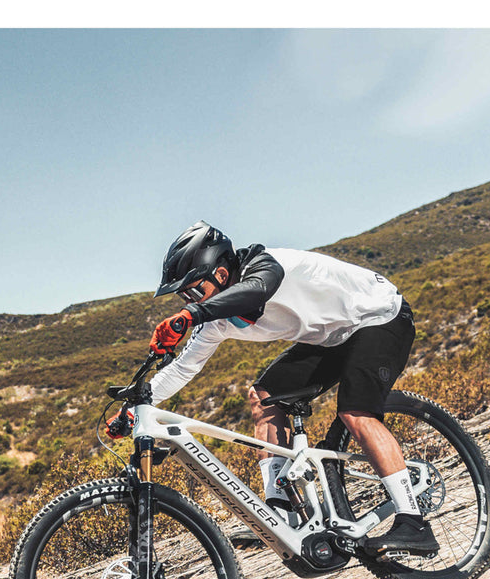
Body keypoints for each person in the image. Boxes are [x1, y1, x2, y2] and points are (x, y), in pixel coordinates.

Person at [131, 220, 438, 556]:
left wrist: (191, 314)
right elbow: (182, 368)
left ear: (220, 274)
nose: (186, 300)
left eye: (191, 291)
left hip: (378, 316)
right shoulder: (215, 320)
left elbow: (257, 289)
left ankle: (413, 522)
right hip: (330, 338)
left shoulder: (268, 265)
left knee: (355, 412)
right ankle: (280, 511)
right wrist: (130, 410)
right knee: (263, 398)